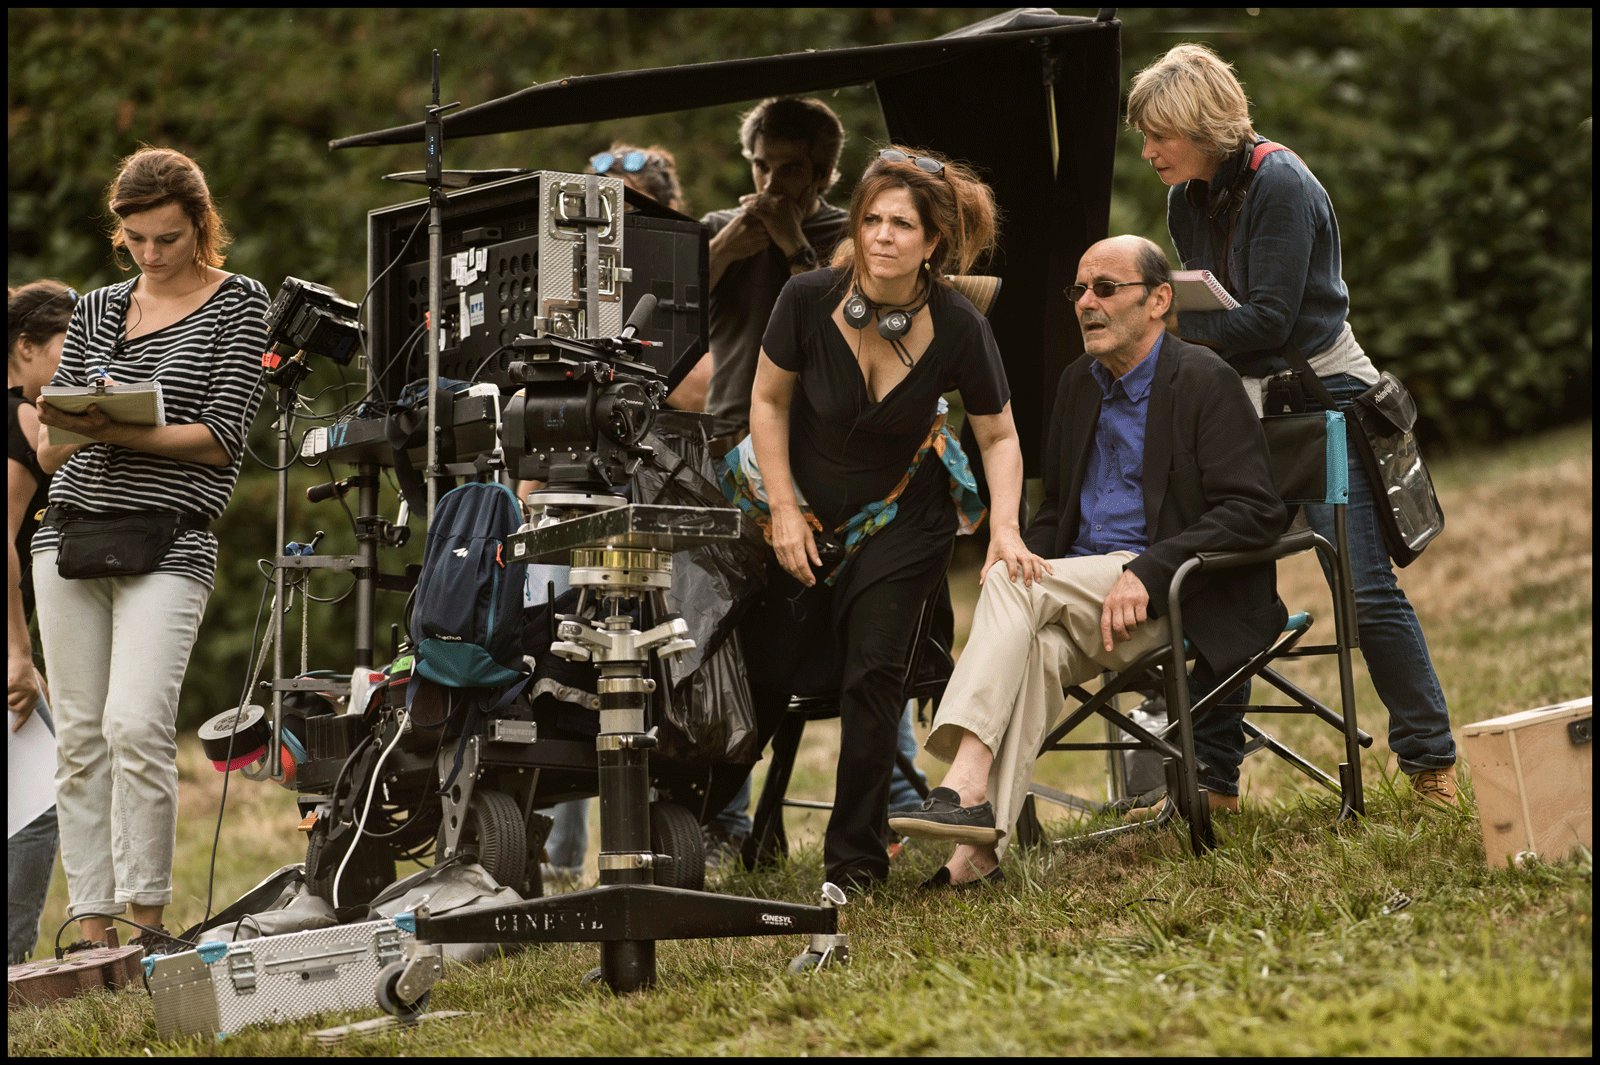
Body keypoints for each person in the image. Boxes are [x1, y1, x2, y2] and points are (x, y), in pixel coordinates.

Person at [889, 235, 1288, 887]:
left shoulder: (1203, 379)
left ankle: (963, 782)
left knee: (1010, 579)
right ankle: (978, 853)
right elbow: (1056, 515)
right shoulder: (1078, 385)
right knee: (1032, 633)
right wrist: (1028, 547)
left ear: (1159, 300)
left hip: (1180, 594)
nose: (1086, 303)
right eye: (1079, 290)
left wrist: (1150, 570)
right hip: (1082, 594)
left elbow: (1254, 511)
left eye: (1106, 288)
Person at [1126, 43, 1460, 808]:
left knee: (1367, 591)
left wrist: (1160, 331)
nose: (1146, 151)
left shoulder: (1281, 180)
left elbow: (1271, 320)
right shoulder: (1187, 199)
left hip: (1327, 399)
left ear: (1198, 124)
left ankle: (1431, 762)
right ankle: (1214, 777)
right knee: (1224, 583)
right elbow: (1223, 316)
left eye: (1157, 135)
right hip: (1244, 408)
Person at [723, 145, 1030, 892]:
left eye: (902, 224)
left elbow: (998, 434)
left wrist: (1006, 529)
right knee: (761, 671)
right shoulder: (806, 300)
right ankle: (703, 827)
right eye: (871, 220)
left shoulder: (960, 325)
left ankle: (853, 863)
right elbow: (767, 401)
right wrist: (787, 512)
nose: (882, 235)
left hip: (904, 516)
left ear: (932, 245)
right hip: (803, 511)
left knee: (873, 676)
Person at [31, 147, 270, 954]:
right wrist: (73, 424)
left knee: (136, 724)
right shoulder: (98, 306)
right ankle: (90, 923)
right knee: (79, 738)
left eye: (167, 237)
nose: (152, 253)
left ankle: (144, 921)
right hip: (70, 531)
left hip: (170, 538)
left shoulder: (241, 303)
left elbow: (218, 440)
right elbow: (51, 452)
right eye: (136, 238)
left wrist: (120, 429)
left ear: (200, 224)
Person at [696, 96, 851, 449]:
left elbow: (838, 331)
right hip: (727, 430)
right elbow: (664, 313)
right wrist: (721, 250)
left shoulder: (851, 234)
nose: (768, 185)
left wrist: (796, 246)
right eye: (761, 166)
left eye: (790, 169)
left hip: (816, 436)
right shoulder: (719, 228)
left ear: (823, 174)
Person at [8, 280, 74, 963]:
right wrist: (20, 655)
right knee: (36, 804)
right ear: (25, 346)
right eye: (65, 345)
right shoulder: (22, 417)